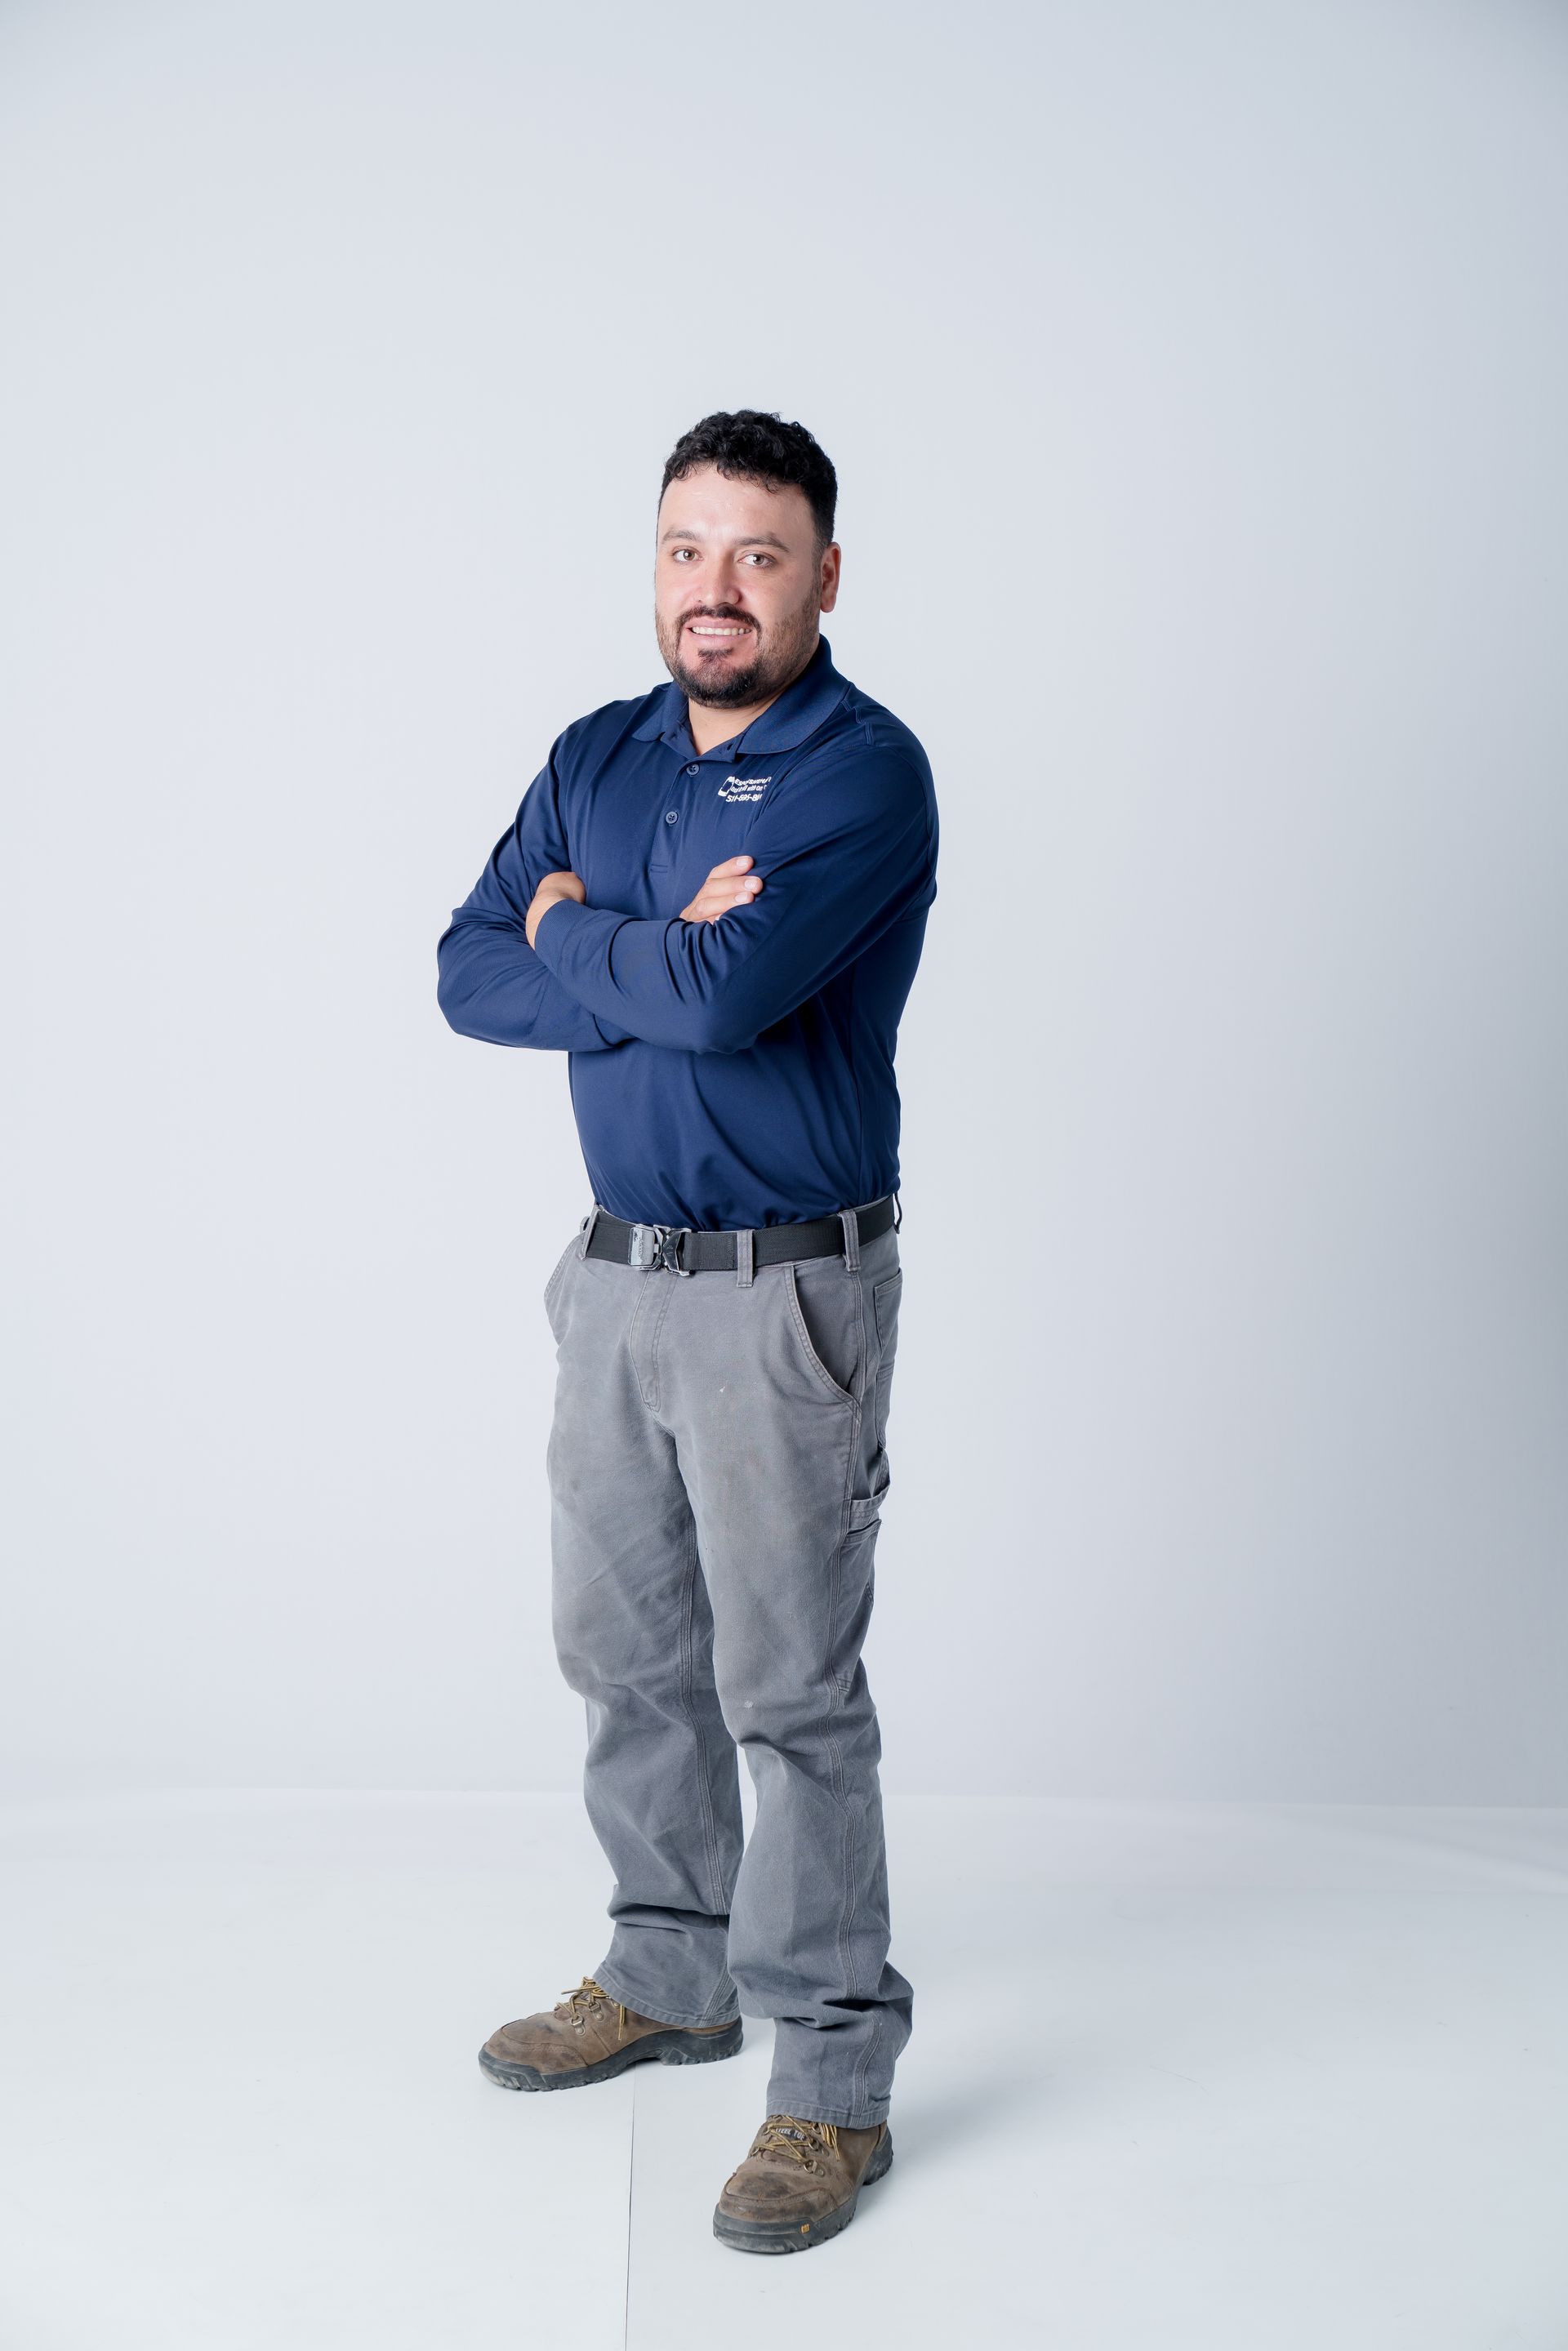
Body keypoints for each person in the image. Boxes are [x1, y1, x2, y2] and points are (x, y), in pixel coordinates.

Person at [435, 409, 938, 2254]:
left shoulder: (863, 774)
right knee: (625, 1656)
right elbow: (464, 966)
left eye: (755, 554)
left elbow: (729, 1009)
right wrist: (629, 930)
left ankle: (829, 2088)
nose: (713, 589)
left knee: (789, 1699)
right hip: (615, 1279)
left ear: (820, 575)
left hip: (785, 1291)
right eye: (683, 548)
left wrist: (589, 932)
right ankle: (671, 1975)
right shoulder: (600, 752)